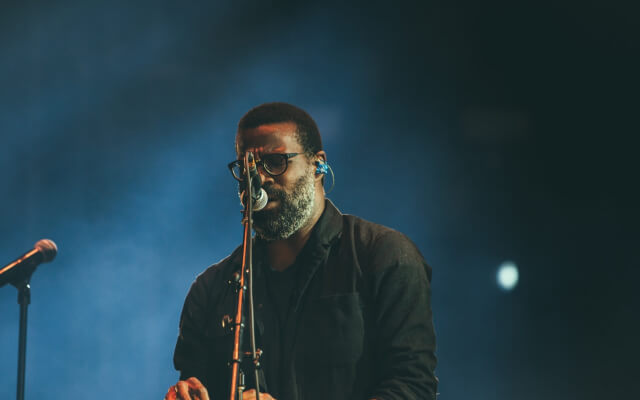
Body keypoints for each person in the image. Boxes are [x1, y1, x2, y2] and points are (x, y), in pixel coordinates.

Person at [164, 102, 438, 400]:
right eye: (247, 167)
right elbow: (193, 379)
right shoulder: (210, 289)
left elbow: (412, 388)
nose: (259, 179)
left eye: (275, 162)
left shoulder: (385, 256)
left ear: (317, 165)